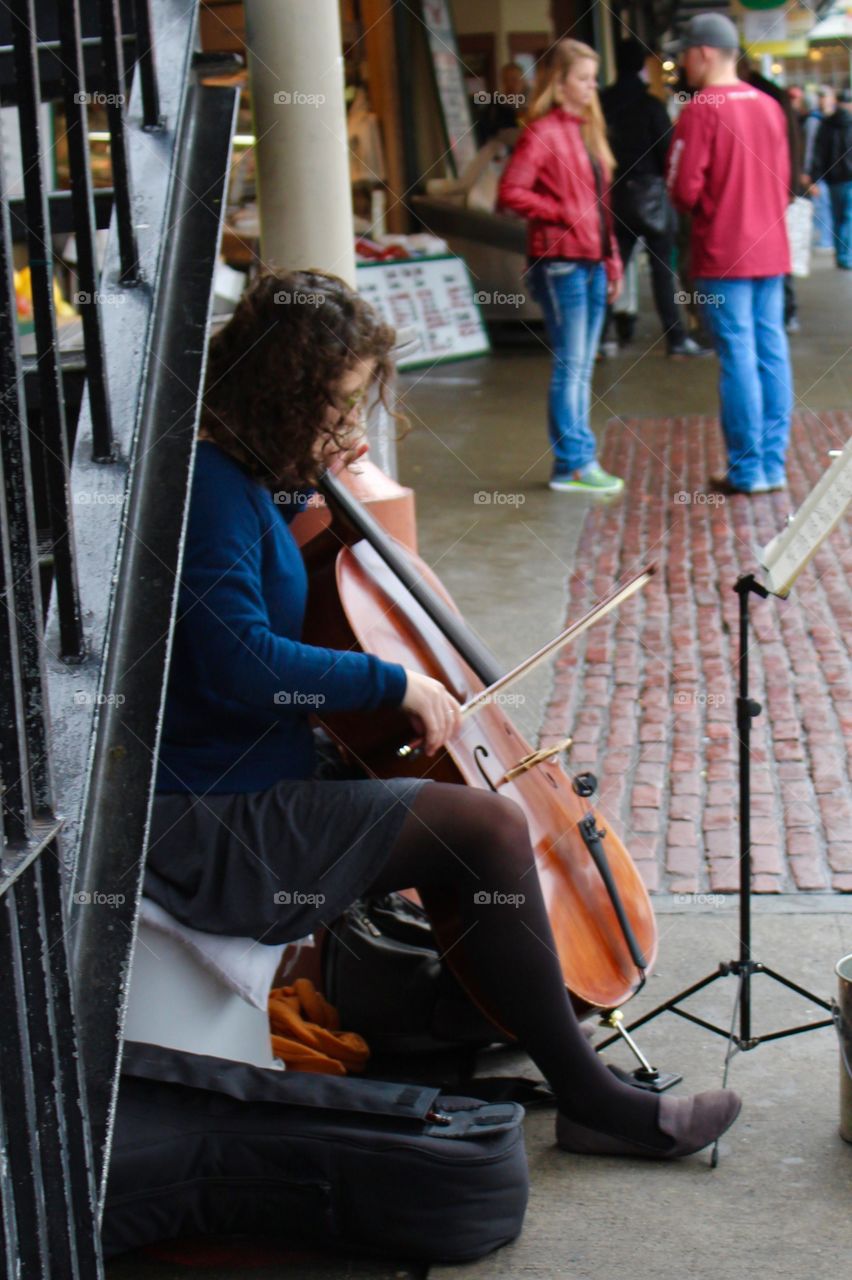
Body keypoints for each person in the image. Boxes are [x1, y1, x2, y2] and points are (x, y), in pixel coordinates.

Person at [143, 267, 740, 1160]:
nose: (347, 428)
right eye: (336, 407)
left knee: (463, 828)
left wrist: (309, 490)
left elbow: (251, 591)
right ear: (279, 395)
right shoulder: (206, 486)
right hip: (206, 827)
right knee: (486, 828)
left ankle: (494, 1036)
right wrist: (392, 684)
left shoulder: (241, 477)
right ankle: (592, 1101)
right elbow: (238, 663)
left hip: (249, 782)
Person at [666, 14, 793, 495]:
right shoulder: (768, 106)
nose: (680, 63)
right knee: (771, 350)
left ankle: (747, 467)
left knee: (737, 354)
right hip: (770, 245)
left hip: (724, 250)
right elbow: (782, 177)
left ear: (702, 52)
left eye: (683, 53)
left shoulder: (700, 110)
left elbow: (682, 187)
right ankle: (773, 463)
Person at [497, 38, 625, 495]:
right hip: (560, 263)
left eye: (593, 78)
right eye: (583, 78)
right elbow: (510, 193)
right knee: (572, 365)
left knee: (581, 364)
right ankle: (573, 463)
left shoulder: (586, 129)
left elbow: (602, 206)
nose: (592, 86)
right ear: (560, 81)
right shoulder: (543, 131)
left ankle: (577, 461)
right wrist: (561, 211)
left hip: (590, 261)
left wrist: (612, 259)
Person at [599, 37, 708, 358]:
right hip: (651, 195)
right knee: (663, 272)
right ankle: (675, 339)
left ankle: (603, 337)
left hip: (616, 193)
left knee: (612, 268)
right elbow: (668, 152)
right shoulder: (651, 105)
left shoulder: (603, 102)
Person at [811, 88, 852, 270]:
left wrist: (815, 177)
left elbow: (818, 153)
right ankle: (847, 255)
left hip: (834, 179)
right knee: (849, 217)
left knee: (837, 217)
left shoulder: (826, 124)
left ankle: (841, 253)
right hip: (849, 177)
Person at [801, 87, 836, 250]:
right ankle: (825, 240)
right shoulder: (813, 121)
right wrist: (807, 171)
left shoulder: (835, 119)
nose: (824, 100)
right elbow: (809, 148)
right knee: (822, 206)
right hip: (819, 171)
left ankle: (829, 240)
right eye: (821, 97)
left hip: (835, 171)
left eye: (826, 96)